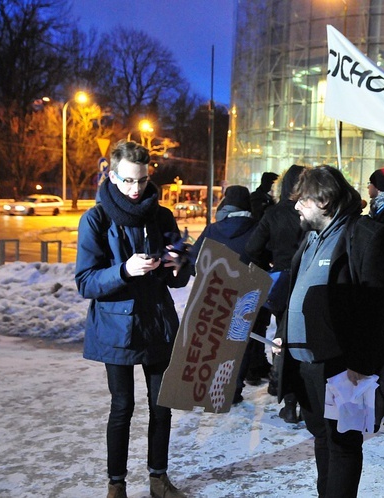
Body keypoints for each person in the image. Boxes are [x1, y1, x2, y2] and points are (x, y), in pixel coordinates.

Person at [276, 165, 384, 497]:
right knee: (322, 438)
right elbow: (297, 292)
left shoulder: (366, 236)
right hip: (308, 366)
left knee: (345, 444)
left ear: (324, 200)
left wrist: (359, 368)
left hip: (349, 367)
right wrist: (286, 335)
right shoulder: (310, 238)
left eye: (302, 200)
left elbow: (379, 306)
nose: (296, 206)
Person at [75, 140, 191, 498]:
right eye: (127, 181)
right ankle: (117, 485)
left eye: (141, 181)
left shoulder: (161, 215)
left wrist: (179, 265)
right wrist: (124, 270)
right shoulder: (96, 218)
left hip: (157, 324)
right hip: (116, 328)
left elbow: (178, 275)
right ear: (111, 175)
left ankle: (158, 477)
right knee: (122, 407)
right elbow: (86, 282)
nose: (136, 189)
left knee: (162, 406)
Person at [189, 184, 269, 404]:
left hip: (216, 294)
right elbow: (265, 260)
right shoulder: (257, 228)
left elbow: (195, 258)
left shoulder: (214, 229)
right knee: (239, 343)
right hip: (247, 294)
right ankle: (232, 390)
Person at [245, 164, 308, 423]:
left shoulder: (272, 214)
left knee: (283, 342)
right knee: (306, 342)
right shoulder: (310, 210)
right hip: (309, 280)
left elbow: (251, 249)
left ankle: (289, 399)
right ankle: (307, 401)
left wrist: (269, 264)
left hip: (282, 283)